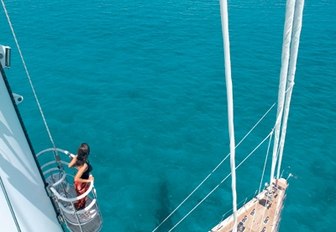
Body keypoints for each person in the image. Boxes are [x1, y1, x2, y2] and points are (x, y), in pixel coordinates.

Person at [68, 143, 94, 210]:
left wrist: (74, 159)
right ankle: (79, 208)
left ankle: (78, 206)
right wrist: (88, 180)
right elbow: (76, 178)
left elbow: (69, 166)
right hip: (81, 184)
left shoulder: (76, 157)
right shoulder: (85, 165)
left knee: (79, 195)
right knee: (82, 198)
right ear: (87, 153)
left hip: (77, 184)